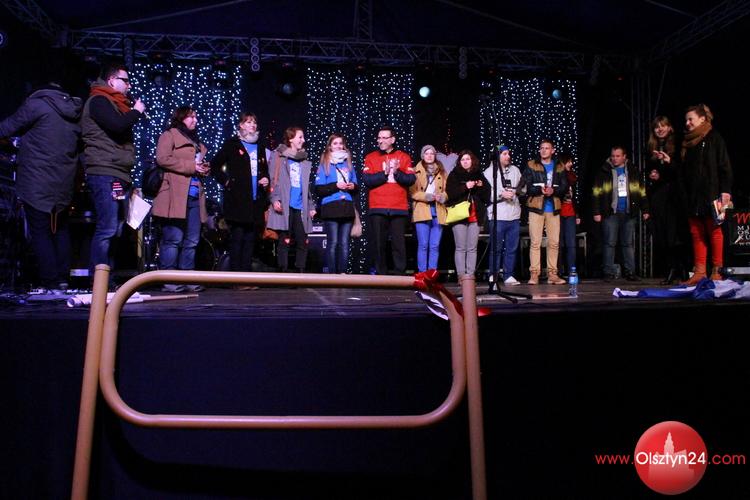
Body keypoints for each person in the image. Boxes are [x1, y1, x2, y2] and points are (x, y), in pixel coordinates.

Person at [0, 82, 82, 291]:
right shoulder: (74, 111)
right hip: (64, 181)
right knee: (61, 229)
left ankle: (49, 281)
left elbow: (5, 128)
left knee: (40, 231)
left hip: (36, 178)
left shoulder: (36, 105)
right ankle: (62, 279)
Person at [81, 62, 147, 285]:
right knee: (107, 227)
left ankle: (107, 279)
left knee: (117, 228)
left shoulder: (116, 103)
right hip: (104, 172)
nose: (129, 85)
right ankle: (98, 281)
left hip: (119, 173)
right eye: (125, 80)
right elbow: (117, 125)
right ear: (111, 81)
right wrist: (136, 111)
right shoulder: (99, 101)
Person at [153, 106, 209, 292]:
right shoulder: (169, 135)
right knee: (173, 238)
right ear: (180, 118)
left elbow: (195, 165)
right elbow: (162, 159)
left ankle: (187, 277)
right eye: (191, 117)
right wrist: (191, 166)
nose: (195, 120)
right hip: (174, 195)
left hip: (194, 196)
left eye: (196, 117)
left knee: (192, 240)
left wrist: (203, 169)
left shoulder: (196, 141)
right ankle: (169, 279)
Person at [211, 112, 270, 279]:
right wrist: (227, 182)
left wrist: (265, 178)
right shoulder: (232, 144)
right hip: (237, 201)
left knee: (250, 240)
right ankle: (235, 278)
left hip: (254, 202)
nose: (253, 125)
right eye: (249, 122)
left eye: (254, 122)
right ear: (241, 125)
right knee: (237, 239)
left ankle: (246, 277)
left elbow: (264, 170)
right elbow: (215, 165)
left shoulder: (260, 146)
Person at [680, 103, 732, 284]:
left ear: (702, 119)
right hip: (693, 196)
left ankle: (717, 270)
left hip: (712, 194)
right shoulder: (687, 143)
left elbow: (724, 166)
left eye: (690, 119)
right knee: (696, 232)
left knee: (714, 231)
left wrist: (725, 191)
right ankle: (700, 271)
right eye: (686, 120)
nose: (687, 123)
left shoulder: (714, 138)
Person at [362, 126, 415, 275]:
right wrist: (384, 174)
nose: (381, 141)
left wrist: (397, 173)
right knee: (379, 244)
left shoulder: (403, 157)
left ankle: (399, 275)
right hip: (378, 207)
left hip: (398, 207)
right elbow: (367, 180)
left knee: (399, 244)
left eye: (384, 138)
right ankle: (381, 275)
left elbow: (411, 179)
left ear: (392, 139)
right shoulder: (370, 157)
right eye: (379, 138)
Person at [592, 146, 650, 281]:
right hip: (611, 212)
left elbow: (641, 191)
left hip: (628, 212)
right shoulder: (604, 171)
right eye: (613, 156)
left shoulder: (633, 171)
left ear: (624, 157)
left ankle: (630, 272)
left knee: (628, 243)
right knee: (609, 243)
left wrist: (645, 209)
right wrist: (596, 211)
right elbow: (596, 193)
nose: (614, 158)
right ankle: (608, 272)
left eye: (618, 156)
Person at [645, 116, 690, 284]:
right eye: (656, 127)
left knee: (676, 234)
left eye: (663, 126)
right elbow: (651, 171)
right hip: (659, 194)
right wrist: (653, 174)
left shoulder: (679, 144)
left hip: (675, 195)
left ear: (670, 127)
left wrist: (669, 161)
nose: (660, 129)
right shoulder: (652, 147)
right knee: (663, 234)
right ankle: (672, 268)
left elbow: (683, 170)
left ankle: (682, 269)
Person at [267, 126, 316, 272]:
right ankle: (283, 272)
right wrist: (274, 199)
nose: (303, 140)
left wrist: (311, 206)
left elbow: (306, 188)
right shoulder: (279, 156)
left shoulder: (303, 160)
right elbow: (273, 180)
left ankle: (300, 272)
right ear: (291, 139)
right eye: (300, 137)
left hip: (300, 206)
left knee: (302, 241)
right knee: (284, 241)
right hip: (285, 204)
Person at [523, 139, 568, 285]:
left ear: (552, 150)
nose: (543, 150)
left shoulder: (559, 166)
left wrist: (553, 191)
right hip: (536, 208)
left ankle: (552, 274)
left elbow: (564, 187)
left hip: (553, 208)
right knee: (535, 243)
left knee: (554, 243)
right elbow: (526, 186)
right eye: (541, 148)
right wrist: (539, 190)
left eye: (547, 148)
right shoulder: (532, 164)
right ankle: (534, 274)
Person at [314, 133, 358, 274]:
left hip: (346, 208)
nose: (338, 146)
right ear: (330, 147)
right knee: (332, 242)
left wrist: (353, 186)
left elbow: (356, 186)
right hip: (331, 207)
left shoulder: (348, 163)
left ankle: (343, 272)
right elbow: (319, 189)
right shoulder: (324, 164)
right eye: (335, 143)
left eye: (340, 143)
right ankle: (332, 274)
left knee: (344, 243)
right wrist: (336, 185)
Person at [445, 150, 491, 278]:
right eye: (463, 159)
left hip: (475, 216)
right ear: (459, 162)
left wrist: (480, 186)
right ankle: (461, 276)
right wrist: (466, 186)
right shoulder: (454, 175)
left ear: (472, 161)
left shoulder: (479, 174)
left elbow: (486, 196)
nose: (465, 162)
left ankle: (470, 275)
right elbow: (451, 194)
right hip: (459, 216)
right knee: (461, 247)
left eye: (468, 159)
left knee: (472, 247)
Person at [485, 145, 524, 285]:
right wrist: (501, 194)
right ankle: (493, 274)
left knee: (511, 247)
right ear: (497, 156)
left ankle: (508, 275)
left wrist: (516, 191)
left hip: (514, 215)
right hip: (498, 215)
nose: (508, 156)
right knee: (496, 248)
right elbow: (486, 194)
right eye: (504, 154)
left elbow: (523, 188)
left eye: (508, 154)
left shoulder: (515, 170)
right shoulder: (489, 172)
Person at [409, 145, 448, 273]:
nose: (429, 156)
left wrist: (442, 196)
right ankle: (422, 274)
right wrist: (427, 196)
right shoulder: (415, 171)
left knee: (435, 245)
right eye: (427, 153)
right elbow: (413, 192)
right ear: (422, 155)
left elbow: (448, 191)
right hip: (422, 210)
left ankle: (432, 274)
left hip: (438, 210)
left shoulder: (442, 172)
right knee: (423, 245)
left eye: (432, 153)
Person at [557, 153, 580, 278]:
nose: (571, 164)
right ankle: (559, 271)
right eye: (568, 161)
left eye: (571, 161)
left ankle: (572, 270)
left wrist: (577, 215)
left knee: (571, 244)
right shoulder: (557, 176)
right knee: (559, 244)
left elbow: (575, 198)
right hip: (558, 213)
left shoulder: (573, 176)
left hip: (570, 213)